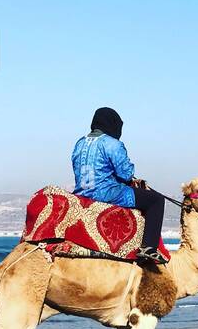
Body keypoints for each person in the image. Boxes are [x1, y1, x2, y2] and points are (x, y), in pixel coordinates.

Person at [72, 107, 168, 266]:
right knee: (156, 200)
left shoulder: (79, 143)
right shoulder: (112, 144)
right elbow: (126, 173)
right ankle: (148, 248)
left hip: (81, 194)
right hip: (108, 194)